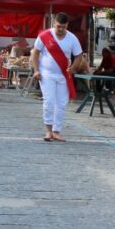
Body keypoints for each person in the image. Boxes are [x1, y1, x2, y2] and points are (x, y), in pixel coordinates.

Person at [31, 13, 84, 142]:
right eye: (58, 26)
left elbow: (78, 55)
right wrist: (36, 70)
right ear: (54, 23)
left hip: (63, 75)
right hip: (46, 74)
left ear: (67, 25)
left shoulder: (72, 38)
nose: (60, 29)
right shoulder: (44, 36)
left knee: (61, 103)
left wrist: (74, 67)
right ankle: (48, 131)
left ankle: (56, 131)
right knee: (49, 101)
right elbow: (35, 53)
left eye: (63, 27)